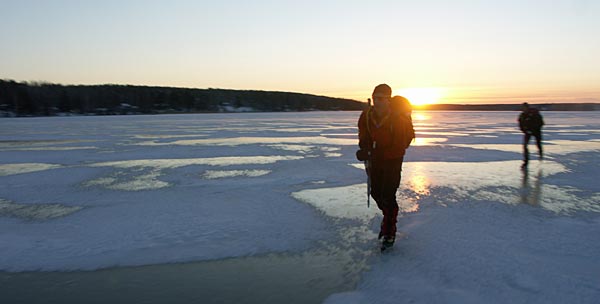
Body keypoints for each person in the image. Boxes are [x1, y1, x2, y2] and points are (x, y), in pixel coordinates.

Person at [356, 84, 415, 250]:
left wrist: (374, 153)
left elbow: (399, 147)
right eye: (375, 98)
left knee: (388, 196)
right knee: (375, 193)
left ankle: (390, 230)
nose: (377, 101)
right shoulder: (367, 116)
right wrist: (363, 149)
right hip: (374, 162)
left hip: (392, 162)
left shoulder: (398, 119)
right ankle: (387, 218)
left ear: (388, 100)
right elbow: (363, 135)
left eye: (381, 98)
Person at [518, 102, 544, 168]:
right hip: (527, 132)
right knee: (525, 146)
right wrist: (525, 130)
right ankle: (526, 161)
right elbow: (520, 124)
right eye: (522, 108)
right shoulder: (522, 115)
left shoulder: (535, 113)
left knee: (538, 144)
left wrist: (533, 129)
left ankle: (540, 153)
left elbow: (541, 123)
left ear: (527, 107)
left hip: (536, 131)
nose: (523, 109)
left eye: (524, 107)